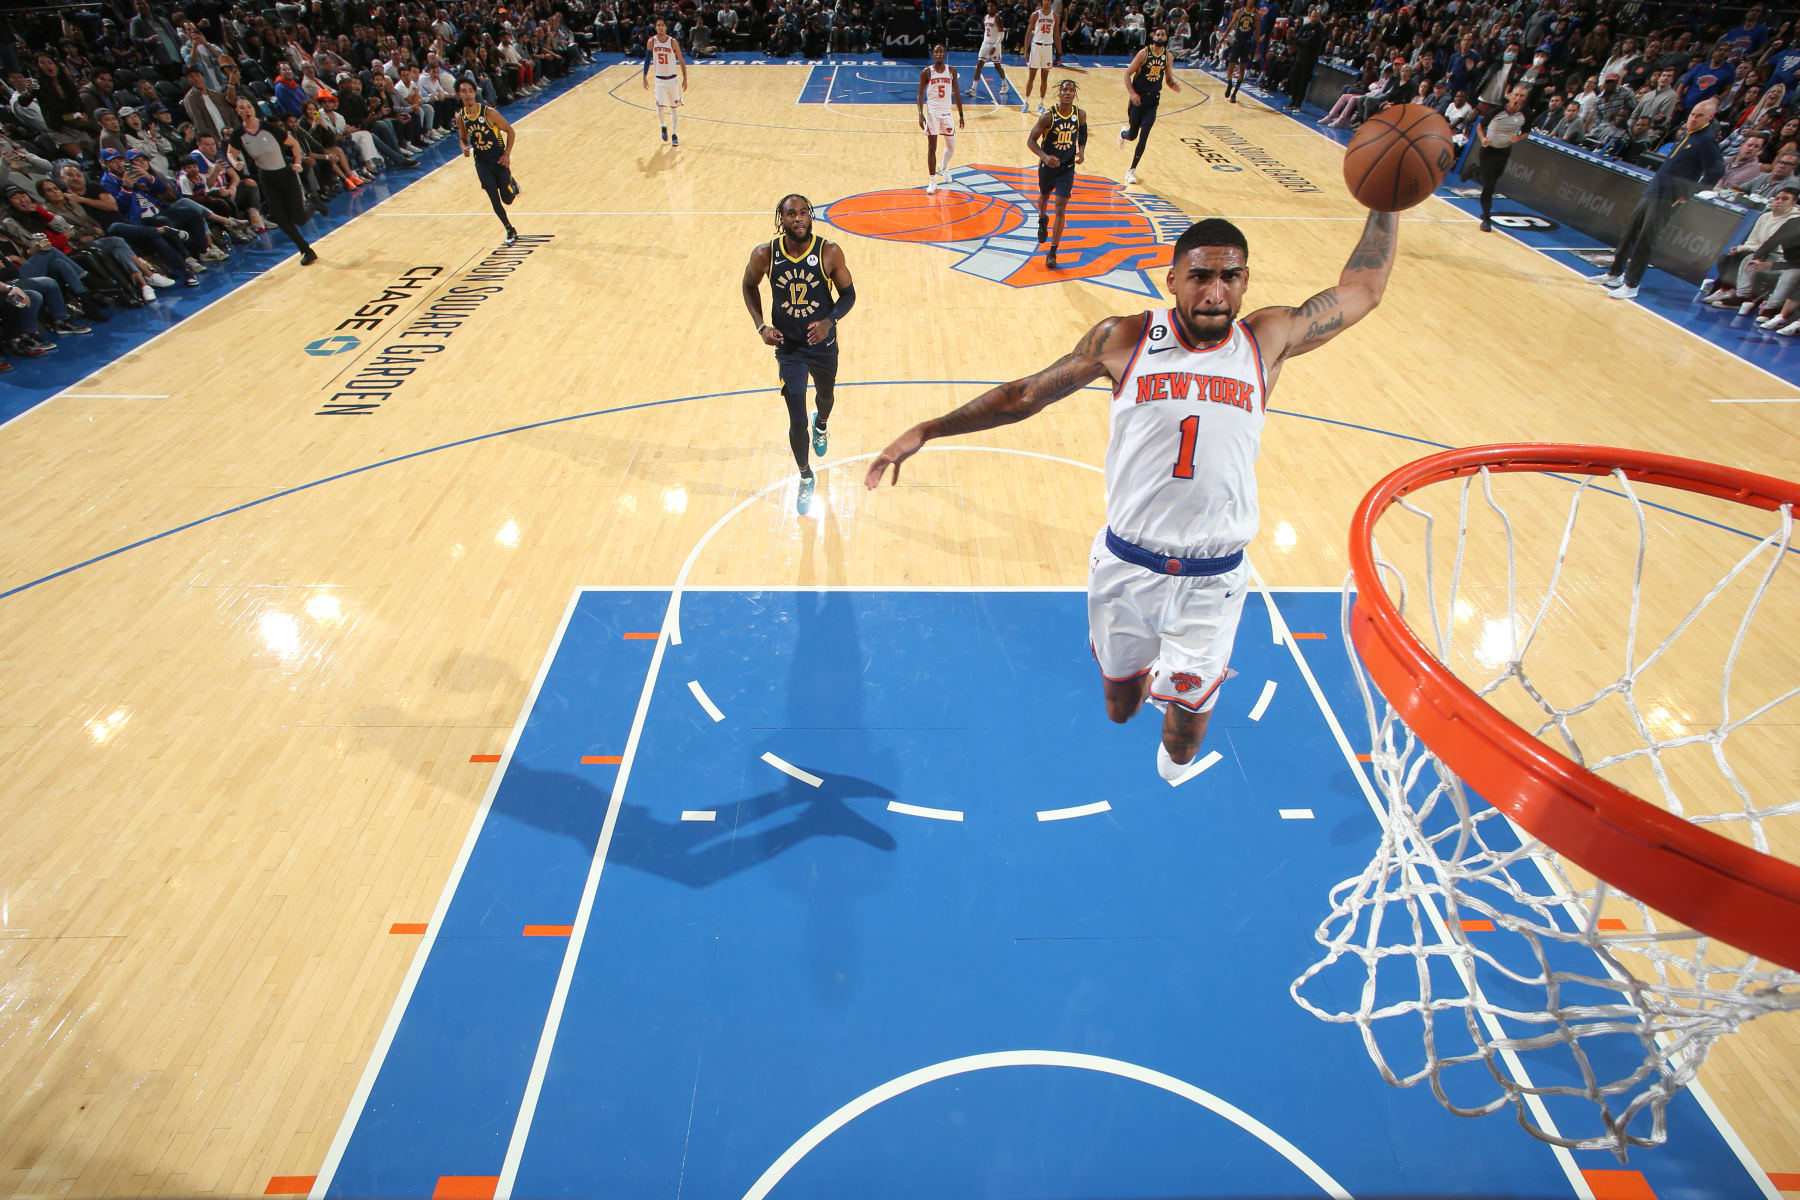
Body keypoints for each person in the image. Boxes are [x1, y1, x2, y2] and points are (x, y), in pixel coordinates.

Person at [864, 209, 1398, 780]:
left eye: (1230, 277)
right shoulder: (1124, 339)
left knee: (1184, 740)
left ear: (1245, 281)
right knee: (1120, 708)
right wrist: (926, 429)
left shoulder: (1267, 338)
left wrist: (1386, 203)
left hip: (1212, 580)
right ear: (1172, 281)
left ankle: (1179, 732)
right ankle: (1157, 674)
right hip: (1127, 566)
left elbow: (1362, 289)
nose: (1215, 292)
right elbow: (1025, 395)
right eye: (1200, 277)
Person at [740, 194, 856, 514]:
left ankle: (823, 423)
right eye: (792, 214)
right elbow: (748, 285)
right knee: (795, 417)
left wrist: (829, 322)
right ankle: (805, 477)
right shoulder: (765, 254)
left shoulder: (829, 252)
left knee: (825, 399)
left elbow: (849, 294)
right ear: (782, 219)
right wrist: (761, 326)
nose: (799, 219)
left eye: (804, 213)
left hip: (822, 346)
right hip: (789, 349)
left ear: (810, 216)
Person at [1596, 99, 1724, 300]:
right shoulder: (1688, 133)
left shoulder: (1707, 140)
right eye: (1692, 114)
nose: (1693, 118)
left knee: (1645, 240)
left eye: (1699, 116)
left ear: (1710, 117)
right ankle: (1614, 273)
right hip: (1655, 188)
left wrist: (1687, 193)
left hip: (1668, 196)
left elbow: (1716, 171)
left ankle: (1631, 284)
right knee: (1630, 232)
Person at [228, 97, 317, 265]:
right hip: (267, 178)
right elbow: (230, 152)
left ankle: (313, 202)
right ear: (237, 111)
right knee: (280, 218)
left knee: (299, 218)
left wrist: (297, 163)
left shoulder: (268, 128)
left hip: (286, 174)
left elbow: (294, 144)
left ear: (254, 109)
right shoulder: (239, 133)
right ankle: (306, 250)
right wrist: (235, 163)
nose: (246, 110)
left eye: (249, 106)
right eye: (242, 107)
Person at [455, 78, 520, 246]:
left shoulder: (489, 113)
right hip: (482, 163)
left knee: (508, 199)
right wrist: (463, 147)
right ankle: (509, 229)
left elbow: (510, 132)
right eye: (464, 91)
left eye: (470, 90)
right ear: (459, 94)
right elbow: (462, 138)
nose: (468, 94)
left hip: (499, 160)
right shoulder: (460, 116)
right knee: (494, 198)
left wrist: (507, 154)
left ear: (475, 92)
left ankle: (511, 183)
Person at [1029, 78, 1086, 270]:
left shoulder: (1080, 115)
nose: (1068, 93)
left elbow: (1083, 132)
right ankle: (1042, 219)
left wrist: (1082, 150)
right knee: (1044, 196)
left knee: (1061, 207)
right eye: (1065, 90)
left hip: (1067, 167)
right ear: (1059, 93)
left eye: (1071, 90)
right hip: (1048, 166)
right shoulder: (1048, 116)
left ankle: (1053, 251)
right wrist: (1044, 156)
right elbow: (1031, 141)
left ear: (1074, 94)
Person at [1119, 26, 1178, 185]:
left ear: (1166, 37)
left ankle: (1131, 170)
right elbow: (1126, 74)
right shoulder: (1143, 53)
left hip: (1152, 102)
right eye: (1158, 34)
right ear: (1153, 36)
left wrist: (1173, 85)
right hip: (1138, 100)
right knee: (1132, 136)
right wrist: (1132, 94)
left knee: (1144, 136)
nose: (1160, 36)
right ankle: (1123, 134)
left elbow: (1168, 79)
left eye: (1163, 34)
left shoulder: (1168, 57)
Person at [1475, 85, 1530, 232]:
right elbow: (1480, 126)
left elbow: (1526, 132)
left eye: (1522, 96)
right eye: (1516, 95)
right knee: (1489, 187)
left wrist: (1518, 138)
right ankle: (1486, 219)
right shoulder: (1496, 111)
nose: (1518, 98)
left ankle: (1475, 170)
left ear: (1525, 99)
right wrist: (1483, 139)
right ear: (1510, 95)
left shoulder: (1525, 113)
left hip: (1504, 151)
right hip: (1488, 151)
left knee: (1494, 177)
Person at [917, 44, 964, 195]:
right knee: (932, 147)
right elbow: (919, 94)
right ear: (933, 54)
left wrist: (961, 114)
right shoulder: (927, 72)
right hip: (932, 113)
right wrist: (920, 113)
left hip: (947, 113)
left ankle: (943, 166)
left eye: (941, 52)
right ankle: (932, 180)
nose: (939, 54)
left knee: (951, 147)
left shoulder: (951, 71)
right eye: (936, 52)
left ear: (945, 54)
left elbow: (957, 93)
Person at [643, 16, 689, 147]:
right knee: (660, 107)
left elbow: (681, 59)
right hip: (659, 80)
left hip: (673, 79)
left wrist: (685, 78)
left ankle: (674, 133)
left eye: (662, 25)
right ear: (655, 27)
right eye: (658, 25)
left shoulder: (672, 42)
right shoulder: (652, 41)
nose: (660, 27)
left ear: (666, 27)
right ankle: (663, 126)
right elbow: (647, 59)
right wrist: (644, 76)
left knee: (674, 108)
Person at [1024, 0, 1060, 114]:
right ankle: (1026, 102)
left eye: (1048, 0)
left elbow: (1057, 35)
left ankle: (1041, 103)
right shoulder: (1035, 15)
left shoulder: (1055, 16)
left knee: (1044, 78)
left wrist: (1059, 53)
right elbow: (1028, 33)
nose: (1046, 1)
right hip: (1036, 46)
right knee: (1031, 77)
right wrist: (1025, 50)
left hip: (1048, 48)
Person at [970, 2, 1010, 101]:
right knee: (979, 64)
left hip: (994, 45)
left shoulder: (997, 18)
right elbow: (986, 31)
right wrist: (985, 42)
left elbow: (1001, 35)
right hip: (986, 43)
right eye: (988, 6)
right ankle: (973, 88)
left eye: (991, 6)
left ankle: (1005, 84)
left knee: (997, 65)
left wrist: (995, 46)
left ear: (995, 7)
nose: (989, 7)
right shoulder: (986, 17)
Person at [1222, 0, 1255, 102]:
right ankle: (1230, 84)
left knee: (1242, 69)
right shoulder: (1239, 12)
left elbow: (1256, 31)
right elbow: (1230, 25)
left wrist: (1257, 46)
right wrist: (1223, 38)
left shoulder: (1256, 14)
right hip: (1237, 42)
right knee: (1231, 66)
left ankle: (1234, 94)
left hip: (1247, 43)